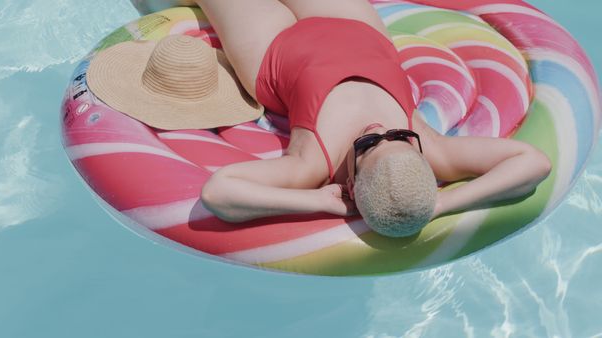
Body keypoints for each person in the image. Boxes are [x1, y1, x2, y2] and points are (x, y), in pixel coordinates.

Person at [195, 0, 552, 237]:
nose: (377, 129)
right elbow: (533, 162)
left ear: (350, 184)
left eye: (365, 146)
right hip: (355, 27)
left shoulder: (311, 164)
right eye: (399, 136)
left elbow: (218, 193)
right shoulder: (435, 149)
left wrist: (318, 202)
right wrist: (442, 205)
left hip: (272, 48)